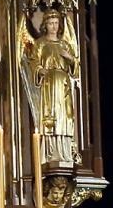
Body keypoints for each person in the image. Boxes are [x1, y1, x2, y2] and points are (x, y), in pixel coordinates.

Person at [23, 10, 80, 166]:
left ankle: (64, 151)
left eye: (56, 23)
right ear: (45, 25)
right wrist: (40, 69)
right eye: (50, 23)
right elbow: (33, 61)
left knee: (65, 116)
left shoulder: (65, 44)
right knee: (51, 117)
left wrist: (70, 59)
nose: (54, 26)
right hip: (49, 84)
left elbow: (76, 69)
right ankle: (50, 152)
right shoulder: (40, 43)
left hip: (63, 85)